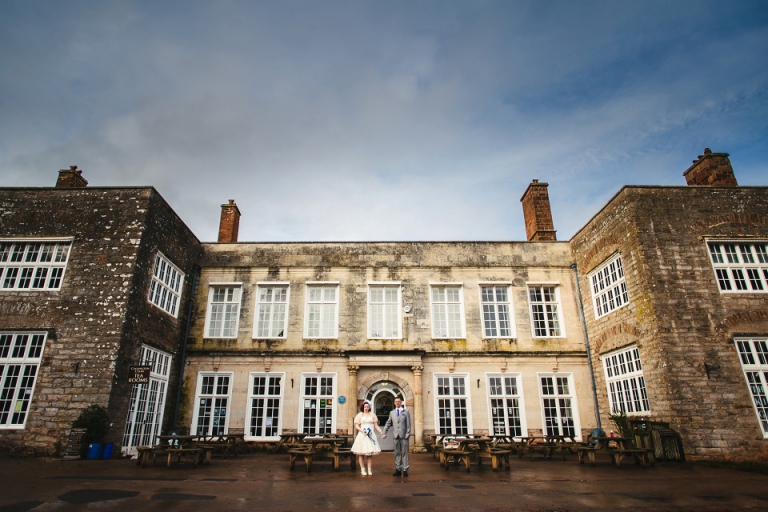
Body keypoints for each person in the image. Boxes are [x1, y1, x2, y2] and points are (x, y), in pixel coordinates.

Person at [350, 400, 382, 476]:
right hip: (362, 435)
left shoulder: (372, 415)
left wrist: (381, 432)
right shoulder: (359, 415)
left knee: (369, 453)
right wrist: (363, 430)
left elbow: (376, 425)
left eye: (367, 407)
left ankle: (369, 469)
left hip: (370, 435)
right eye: (365, 407)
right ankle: (362, 469)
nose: (366, 408)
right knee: (361, 453)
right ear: (363, 407)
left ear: (369, 407)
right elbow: (356, 426)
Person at [381, 395, 411, 477]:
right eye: (396, 402)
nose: (397, 403)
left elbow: (408, 425)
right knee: (397, 453)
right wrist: (384, 432)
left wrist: (408, 434)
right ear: (394, 403)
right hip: (395, 435)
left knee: (405, 453)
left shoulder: (406, 412)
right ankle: (398, 468)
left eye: (399, 401)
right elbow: (388, 423)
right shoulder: (392, 412)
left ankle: (405, 469)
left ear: (401, 403)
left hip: (404, 436)